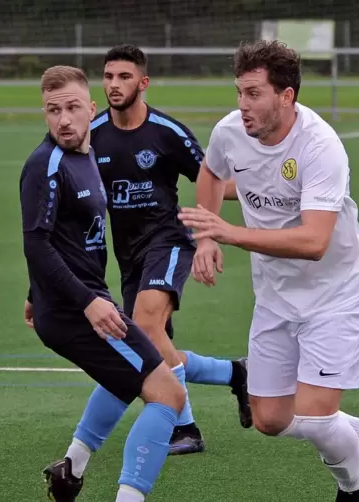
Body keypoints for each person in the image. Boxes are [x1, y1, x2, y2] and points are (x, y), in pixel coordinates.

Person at [178, 40, 359, 501]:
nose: (242, 105)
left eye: (254, 93)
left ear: (286, 96)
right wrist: (207, 237)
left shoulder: (320, 146)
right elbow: (209, 174)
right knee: (269, 420)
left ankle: (354, 491)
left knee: (311, 415)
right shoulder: (231, 131)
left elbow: (313, 242)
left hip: (337, 294)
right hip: (275, 296)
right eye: (239, 92)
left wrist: (228, 233)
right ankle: (355, 432)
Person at [21, 64, 186, 502]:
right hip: (77, 311)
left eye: (73, 108)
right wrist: (86, 304)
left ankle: (70, 468)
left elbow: (55, 234)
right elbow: (36, 244)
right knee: (166, 393)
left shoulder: (85, 154)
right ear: (45, 114)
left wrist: (32, 293)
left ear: (90, 109)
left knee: (122, 379)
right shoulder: (46, 166)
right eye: (53, 110)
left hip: (77, 302)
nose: (64, 119)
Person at [89, 44, 251, 455]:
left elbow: (210, 181)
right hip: (127, 254)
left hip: (168, 240)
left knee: (144, 325)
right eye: (108, 76)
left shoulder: (167, 133)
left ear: (143, 83)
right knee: (150, 345)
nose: (113, 84)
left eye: (124, 77)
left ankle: (186, 429)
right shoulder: (93, 135)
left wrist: (256, 192)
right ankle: (237, 373)